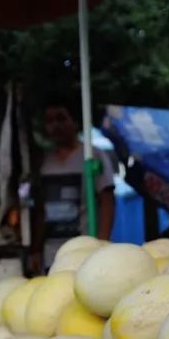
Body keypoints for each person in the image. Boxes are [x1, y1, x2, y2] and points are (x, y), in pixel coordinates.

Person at [33, 99, 116, 271]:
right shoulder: (43, 162)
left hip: (85, 251)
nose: (55, 126)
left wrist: (102, 242)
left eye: (61, 118)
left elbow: (107, 200)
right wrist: (35, 250)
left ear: (75, 121)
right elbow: (39, 209)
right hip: (51, 254)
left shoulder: (92, 155)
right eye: (49, 121)